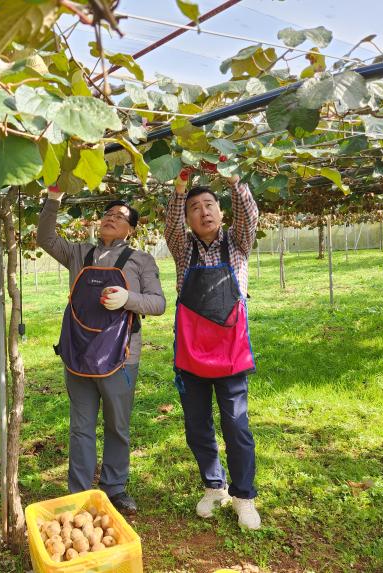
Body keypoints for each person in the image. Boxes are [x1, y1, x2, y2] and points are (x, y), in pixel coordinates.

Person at [37, 185, 166, 515]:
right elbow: (46, 239)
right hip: (78, 352)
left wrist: (129, 300)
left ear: (131, 229)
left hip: (121, 356)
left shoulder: (140, 260)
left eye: (119, 216)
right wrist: (53, 198)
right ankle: (79, 492)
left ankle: (114, 487)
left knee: (117, 425)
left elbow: (159, 303)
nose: (110, 219)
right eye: (107, 214)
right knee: (80, 426)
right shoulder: (79, 253)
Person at [164, 169, 261, 530]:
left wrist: (235, 182)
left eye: (209, 205)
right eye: (194, 208)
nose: (203, 212)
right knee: (197, 425)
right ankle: (213, 485)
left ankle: (244, 496)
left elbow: (250, 216)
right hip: (192, 352)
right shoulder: (183, 248)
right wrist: (179, 188)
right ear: (188, 218)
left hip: (231, 353)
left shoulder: (237, 243)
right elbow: (171, 226)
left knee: (236, 425)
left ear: (221, 212)